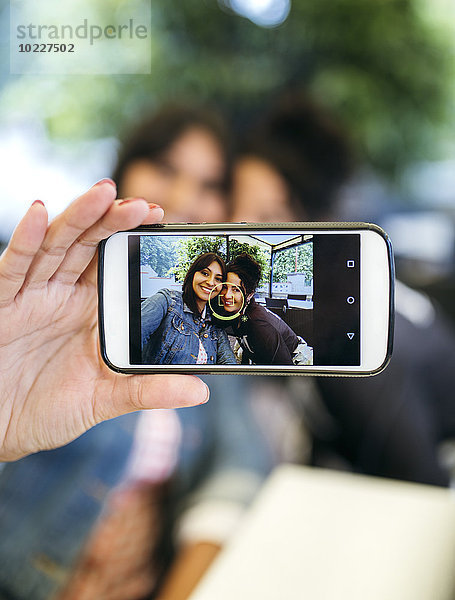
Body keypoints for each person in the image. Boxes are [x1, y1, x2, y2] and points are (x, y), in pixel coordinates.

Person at [0, 179, 209, 464]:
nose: (182, 197)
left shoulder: (216, 339)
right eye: (166, 169)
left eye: (210, 185)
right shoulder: (164, 300)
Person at [141, 252, 236, 365]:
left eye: (218, 279)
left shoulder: (215, 323)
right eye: (205, 273)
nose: (211, 282)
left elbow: (229, 363)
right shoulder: (167, 301)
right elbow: (129, 340)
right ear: (192, 275)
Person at [218, 253, 312, 365]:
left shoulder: (259, 325)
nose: (227, 295)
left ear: (249, 294)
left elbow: (285, 370)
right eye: (224, 287)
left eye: (236, 290)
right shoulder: (238, 311)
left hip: (299, 362)